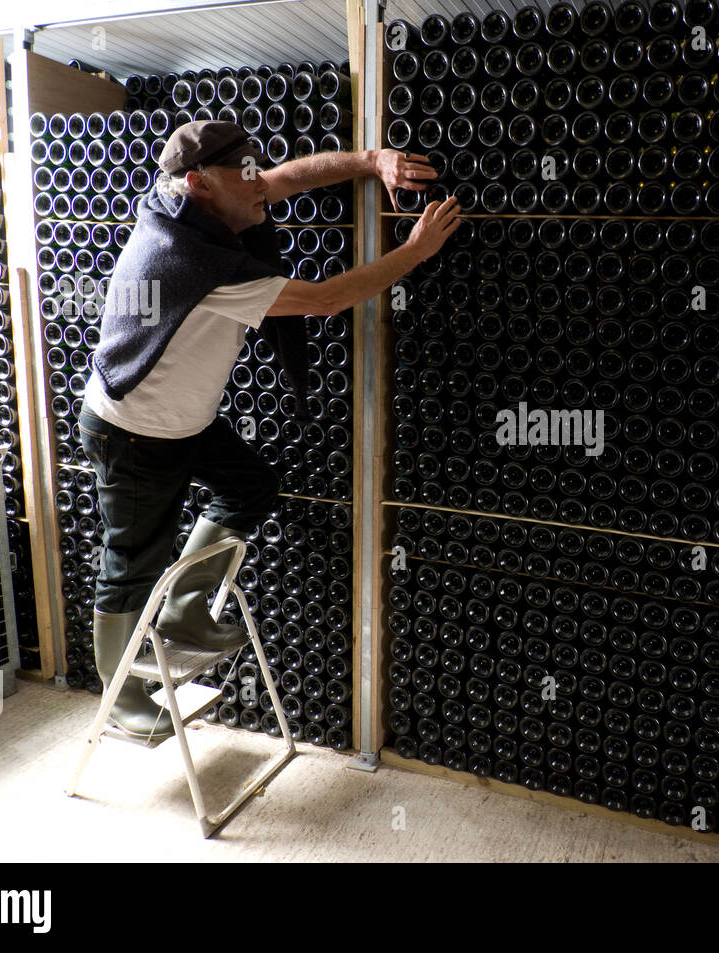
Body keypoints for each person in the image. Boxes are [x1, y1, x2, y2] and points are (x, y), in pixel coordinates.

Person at [77, 120, 460, 739]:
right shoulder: (198, 262)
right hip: (134, 429)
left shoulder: (191, 201)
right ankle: (119, 697)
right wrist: (414, 250)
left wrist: (371, 160)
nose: (261, 184)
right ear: (202, 183)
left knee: (250, 487)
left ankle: (184, 608)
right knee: (131, 559)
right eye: (245, 175)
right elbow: (324, 299)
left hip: (183, 421)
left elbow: (285, 178)